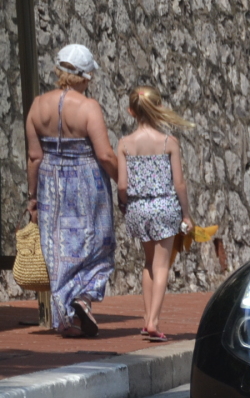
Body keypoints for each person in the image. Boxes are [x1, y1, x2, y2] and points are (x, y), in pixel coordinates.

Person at [24, 44, 117, 337]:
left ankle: (67, 315)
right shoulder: (89, 107)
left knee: (58, 248)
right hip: (87, 181)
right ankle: (83, 298)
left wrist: (33, 197)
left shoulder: (37, 106)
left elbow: (34, 157)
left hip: (50, 181)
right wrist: (123, 184)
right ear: (84, 76)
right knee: (97, 243)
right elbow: (105, 155)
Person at [116, 86, 194, 342]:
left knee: (148, 263)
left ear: (131, 111)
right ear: (158, 108)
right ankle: (154, 322)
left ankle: (146, 317)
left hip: (138, 208)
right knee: (162, 265)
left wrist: (125, 204)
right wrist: (186, 214)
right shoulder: (168, 142)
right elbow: (179, 183)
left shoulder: (124, 144)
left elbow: (122, 185)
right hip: (164, 206)